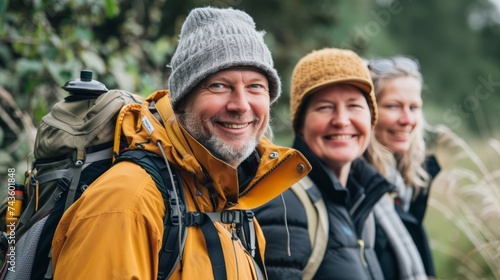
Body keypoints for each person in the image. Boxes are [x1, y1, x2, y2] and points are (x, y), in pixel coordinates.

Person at [51, 6, 311, 280]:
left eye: (256, 86)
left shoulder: (235, 208)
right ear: (181, 101)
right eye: (219, 85)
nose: (241, 105)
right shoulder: (127, 201)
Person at [254, 48, 395, 279]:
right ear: (300, 125)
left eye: (354, 106)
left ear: (371, 119)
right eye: (325, 107)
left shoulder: (361, 200)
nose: (341, 120)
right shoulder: (284, 206)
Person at [365, 55, 437, 279]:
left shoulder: (413, 183)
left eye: (414, 107)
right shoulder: (353, 185)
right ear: (367, 110)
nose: (407, 119)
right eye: (393, 106)